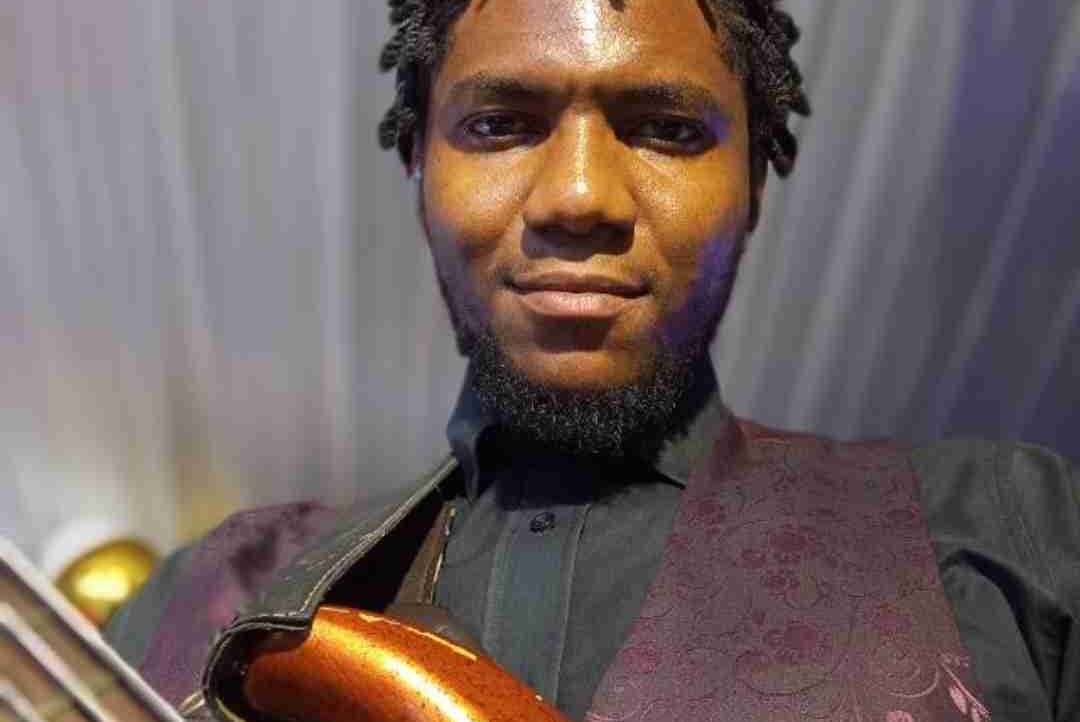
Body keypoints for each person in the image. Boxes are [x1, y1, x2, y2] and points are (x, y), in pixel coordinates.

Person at [104, 1, 1079, 720]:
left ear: (752, 183)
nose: (578, 196)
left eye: (666, 129)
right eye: (500, 124)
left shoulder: (1018, 536)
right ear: (418, 167)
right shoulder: (200, 600)